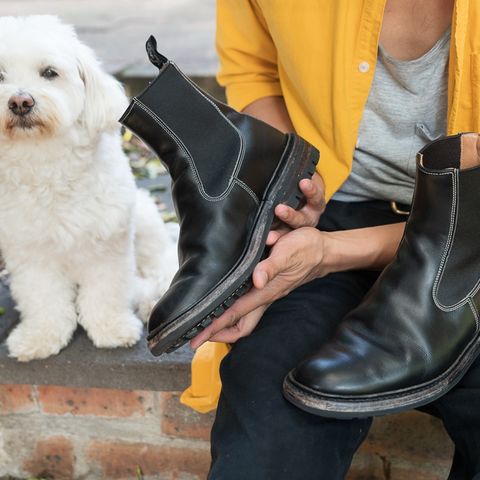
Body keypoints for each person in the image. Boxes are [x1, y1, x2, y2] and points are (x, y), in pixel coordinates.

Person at [189, 0, 480, 478]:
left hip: (470, 234)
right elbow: (254, 72)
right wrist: (291, 181)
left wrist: (329, 255)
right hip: (330, 214)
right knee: (269, 424)